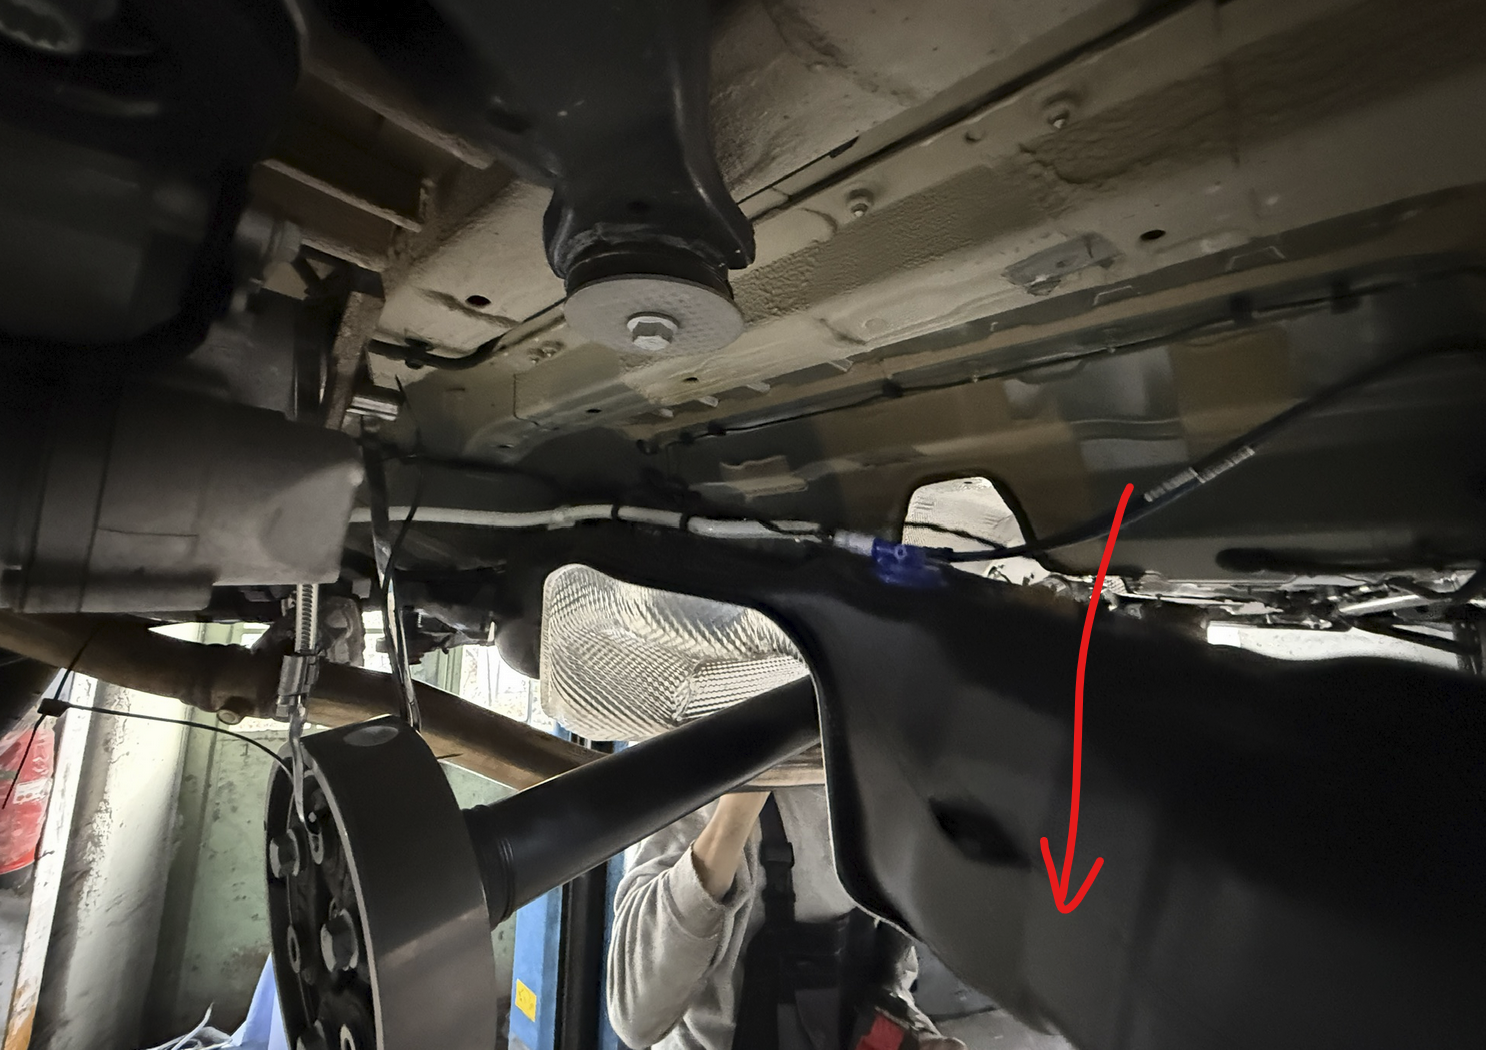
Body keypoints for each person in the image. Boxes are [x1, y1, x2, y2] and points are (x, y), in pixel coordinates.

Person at [607, 786, 964, 1050]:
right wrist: (738, 808)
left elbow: (890, 968)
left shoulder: (886, 780)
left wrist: (916, 1035)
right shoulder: (696, 785)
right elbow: (635, 1017)